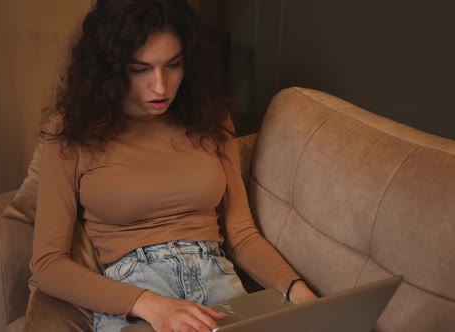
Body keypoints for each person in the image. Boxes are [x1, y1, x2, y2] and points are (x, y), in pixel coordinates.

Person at [30, 1, 317, 331]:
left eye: (173, 65)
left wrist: (298, 291)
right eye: (140, 69)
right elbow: (48, 263)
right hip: (135, 288)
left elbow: (242, 235)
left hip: (218, 280)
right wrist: (148, 304)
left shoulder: (211, 120)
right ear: (109, 67)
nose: (160, 86)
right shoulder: (71, 132)